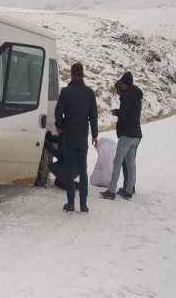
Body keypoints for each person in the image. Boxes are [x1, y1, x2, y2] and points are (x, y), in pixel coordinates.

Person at [54, 63, 98, 214]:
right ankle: (84, 205)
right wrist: (95, 135)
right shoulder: (89, 93)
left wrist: (60, 127)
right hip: (82, 137)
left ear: (71, 74)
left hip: (69, 136)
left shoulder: (66, 92)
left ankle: (71, 203)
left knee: (70, 169)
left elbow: (58, 112)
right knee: (83, 170)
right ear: (83, 74)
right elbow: (93, 117)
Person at [101, 72, 143, 200]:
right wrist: (118, 112)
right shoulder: (136, 96)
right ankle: (129, 190)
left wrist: (120, 131)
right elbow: (129, 113)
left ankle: (111, 190)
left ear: (125, 84)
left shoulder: (127, 96)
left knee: (117, 161)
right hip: (136, 135)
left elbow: (124, 116)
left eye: (122, 84)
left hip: (127, 134)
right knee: (131, 163)